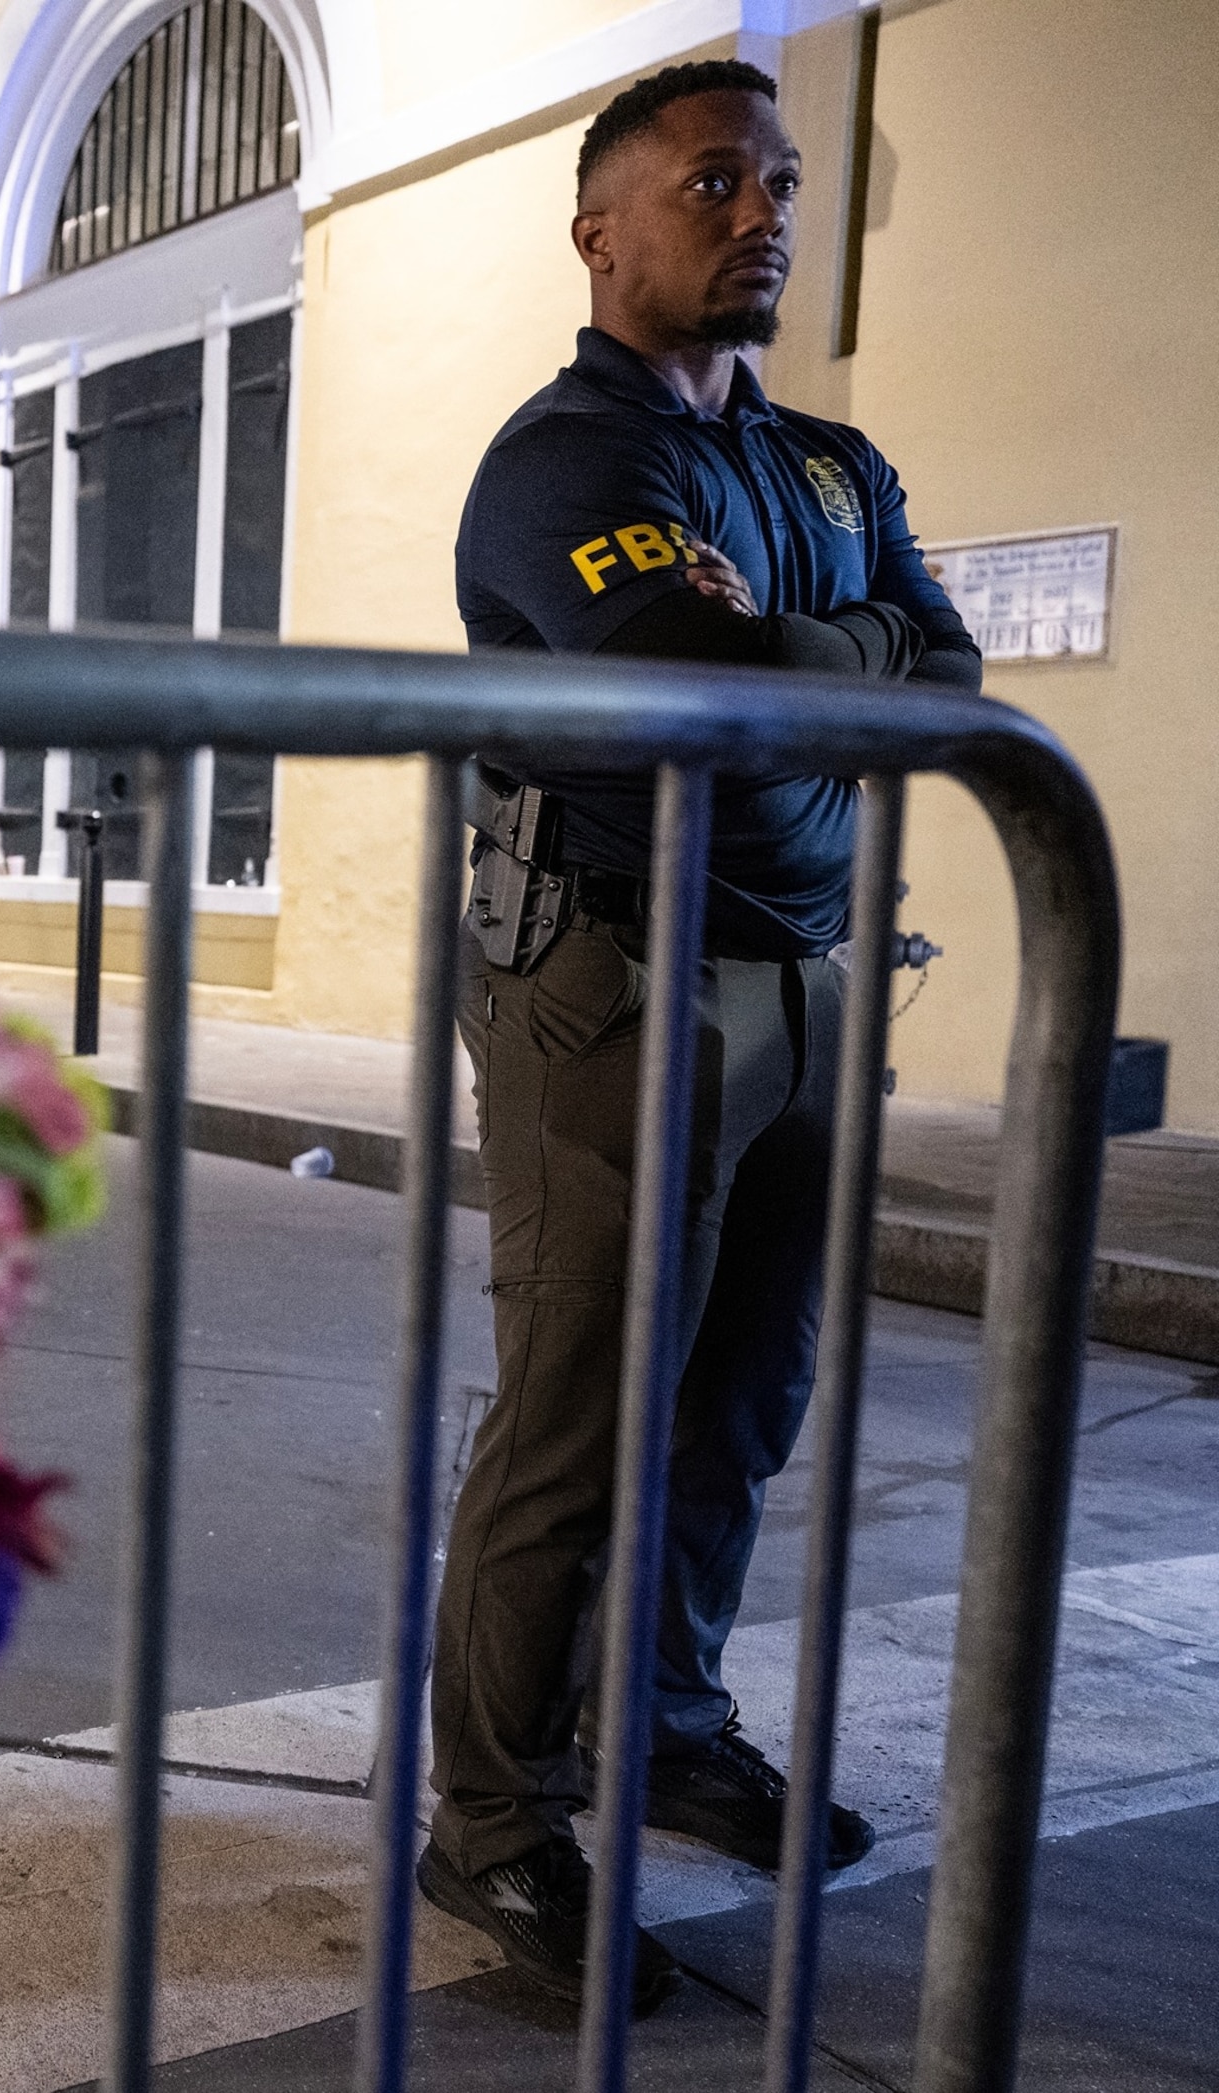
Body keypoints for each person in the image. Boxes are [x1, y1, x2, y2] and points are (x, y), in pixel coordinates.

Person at [424, 61, 979, 2013]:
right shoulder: (567, 464)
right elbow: (690, 673)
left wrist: (814, 644)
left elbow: (951, 654)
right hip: (613, 976)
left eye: (783, 183)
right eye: (712, 181)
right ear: (602, 230)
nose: (759, 213)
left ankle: (655, 1719)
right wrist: (841, 654)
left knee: (746, 1393)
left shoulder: (826, 468)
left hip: (813, 977)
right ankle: (490, 1814)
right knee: (578, 1408)